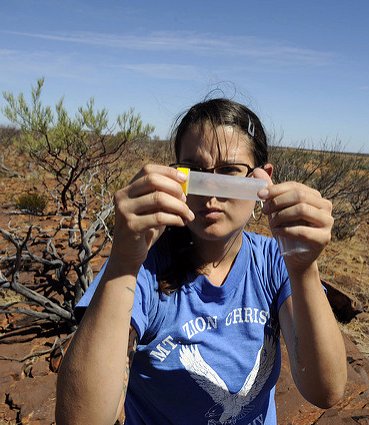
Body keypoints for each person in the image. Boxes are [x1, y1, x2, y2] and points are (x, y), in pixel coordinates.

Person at [55, 98, 347, 425]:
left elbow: (326, 391)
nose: (210, 195)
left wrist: (305, 268)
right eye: (194, 172)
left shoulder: (275, 262)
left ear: (262, 181)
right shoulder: (141, 270)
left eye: (229, 173)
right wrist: (123, 261)